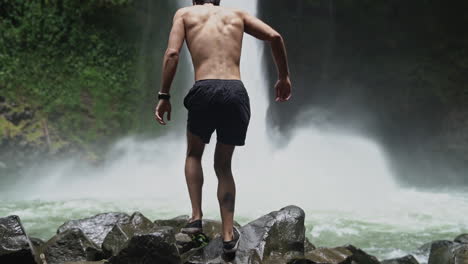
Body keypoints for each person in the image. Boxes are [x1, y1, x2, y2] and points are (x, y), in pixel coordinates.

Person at [155, 0, 291, 259]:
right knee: (223, 165)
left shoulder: (185, 14)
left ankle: (196, 218)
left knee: (194, 154)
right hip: (235, 91)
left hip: (204, 88)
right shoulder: (238, 14)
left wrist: (164, 95)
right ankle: (228, 236)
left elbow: (172, 54)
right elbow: (274, 36)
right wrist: (283, 77)